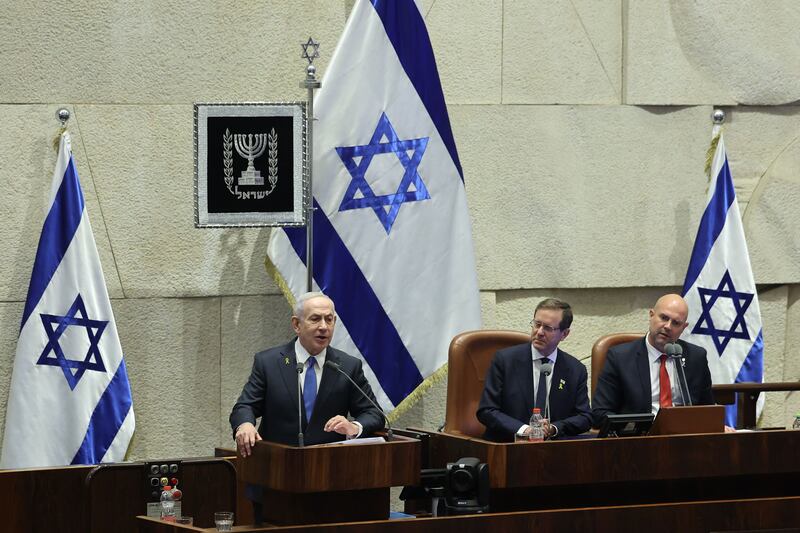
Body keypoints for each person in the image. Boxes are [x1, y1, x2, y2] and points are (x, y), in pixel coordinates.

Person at [230, 292, 384, 455]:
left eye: (329, 319)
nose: (324, 327)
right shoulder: (269, 362)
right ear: (296, 324)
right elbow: (245, 406)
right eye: (315, 319)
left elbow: (374, 413)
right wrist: (245, 424)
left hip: (328, 466)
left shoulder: (348, 366)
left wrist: (354, 427)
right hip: (277, 464)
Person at [591, 293, 714, 428]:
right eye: (664, 318)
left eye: (676, 323)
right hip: (639, 440)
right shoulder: (620, 357)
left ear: (683, 328)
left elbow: (707, 409)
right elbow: (600, 413)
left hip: (684, 438)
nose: (668, 326)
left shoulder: (696, 357)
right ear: (651, 315)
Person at [477, 298, 592, 441]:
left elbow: (585, 417)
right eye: (537, 324)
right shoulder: (505, 360)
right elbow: (487, 410)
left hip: (554, 452)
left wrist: (554, 428)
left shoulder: (575, 369)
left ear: (564, 334)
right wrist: (525, 430)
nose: (539, 332)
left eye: (548, 328)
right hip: (508, 447)